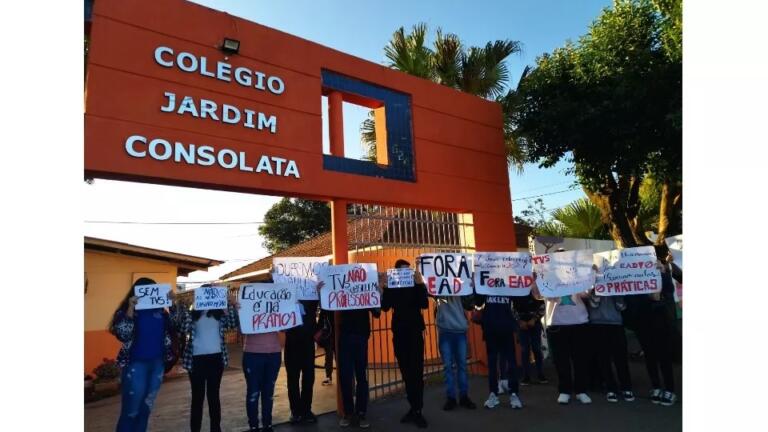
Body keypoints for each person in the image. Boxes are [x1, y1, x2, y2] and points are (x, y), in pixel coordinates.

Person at [110, 277, 177, 432]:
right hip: (135, 365)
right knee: (131, 411)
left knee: (145, 410)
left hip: (157, 365)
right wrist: (130, 308)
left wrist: (173, 303)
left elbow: (177, 325)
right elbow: (123, 334)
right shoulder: (126, 311)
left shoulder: (161, 311)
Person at [171, 286, 239, 432]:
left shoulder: (220, 313)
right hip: (196, 359)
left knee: (214, 396)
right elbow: (182, 328)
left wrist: (231, 305)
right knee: (197, 398)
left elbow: (233, 324)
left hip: (216, 358)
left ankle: (216, 428)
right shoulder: (192, 313)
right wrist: (179, 307)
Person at [317, 279, 381, 428]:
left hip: (361, 337)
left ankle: (361, 413)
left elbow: (377, 313)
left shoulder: (366, 289)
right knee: (345, 377)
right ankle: (348, 413)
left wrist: (378, 292)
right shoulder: (342, 289)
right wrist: (321, 293)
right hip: (345, 337)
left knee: (361, 377)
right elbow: (327, 306)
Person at [531, 249, 593, 405]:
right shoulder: (546, 276)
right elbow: (537, 295)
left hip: (579, 321)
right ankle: (564, 390)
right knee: (560, 360)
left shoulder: (578, 275)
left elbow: (586, 293)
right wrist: (536, 279)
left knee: (580, 359)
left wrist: (590, 274)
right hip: (556, 323)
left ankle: (581, 390)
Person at [624, 248, 681, 406]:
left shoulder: (660, 272)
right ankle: (656, 387)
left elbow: (669, 291)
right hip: (643, 322)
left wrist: (663, 274)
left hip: (661, 322)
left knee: (664, 357)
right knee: (650, 357)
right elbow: (630, 299)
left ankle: (669, 389)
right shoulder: (633, 277)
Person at [380, 259, 429, 428]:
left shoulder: (416, 286)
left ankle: (418, 410)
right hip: (399, 334)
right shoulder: (393, 288)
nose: (406, 274)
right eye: (402, 271)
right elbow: (385, 307)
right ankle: (413, 407)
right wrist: (385, 287)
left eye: (408, 271)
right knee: (406, 372)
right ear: (396, 273)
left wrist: (420, 284)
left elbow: (424, 304)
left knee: (417, 372)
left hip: (415, 334)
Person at [474, 293, 524, 410]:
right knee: (492, 364)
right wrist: (476, 287)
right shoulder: (485, 283)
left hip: (506, 327)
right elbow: (478, 302)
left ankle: (514, 393)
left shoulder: (507, 283)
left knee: (511, 363)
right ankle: (493, 393)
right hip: (491, 328)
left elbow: (518, 302)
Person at [586, 291, 635, 403]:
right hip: (597, 323)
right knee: (603, 358)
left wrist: (617, 294)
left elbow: (621, 307)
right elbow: (593, 304)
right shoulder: (592, 285)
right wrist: (597, 291)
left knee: (621, 357)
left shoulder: (617, 286)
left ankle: (626, 387)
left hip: (616, 323)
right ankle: (611, 388)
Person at [435, 291, 477, 411]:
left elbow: (470, 305)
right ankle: (451, 397)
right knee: (448, 366)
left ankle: (463, 396)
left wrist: (470, 288)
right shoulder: (439, 287)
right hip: (446, 330)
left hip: (459, 330)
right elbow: (431, 293)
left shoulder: (462, 286)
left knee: (461, 366)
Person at [241, 311, 283, 432]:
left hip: (273, 352)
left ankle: (267, 424)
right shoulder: (246, 301)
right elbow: (240, 326)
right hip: (253, 352)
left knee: (268, 392)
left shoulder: (278, 301)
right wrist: (236, 307)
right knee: (253, 392)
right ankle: (254, 426)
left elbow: (285, 327)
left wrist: (291, 309)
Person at [284, 296, 319, 424]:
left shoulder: (311, 292)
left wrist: (319, 328)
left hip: (308, 339)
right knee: (293, 377)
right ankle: (295, 411)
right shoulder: (287, 291)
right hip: (292, 338)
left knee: (309, 377)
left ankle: (306, 410)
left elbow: (323, 304)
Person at [512, 293, 548, 385]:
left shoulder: (535, 290)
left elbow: (542, 306)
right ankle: (526, 376)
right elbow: (512, 308)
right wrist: (519, 321)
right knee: (525, 350)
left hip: (535, 324)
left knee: (537, 348)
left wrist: (534, 319)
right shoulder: (516, 291)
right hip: (521, 325)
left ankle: (540, 374)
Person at [318, 308, 335, 386]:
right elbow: (321, 322)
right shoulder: (324, 311)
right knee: (329, 356)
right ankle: (328, 376)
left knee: (330, 356)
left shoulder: (325, 309)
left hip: (333, 333)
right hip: (328, 335)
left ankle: (329, 377)